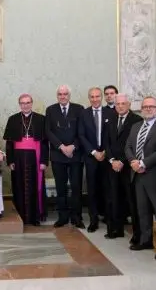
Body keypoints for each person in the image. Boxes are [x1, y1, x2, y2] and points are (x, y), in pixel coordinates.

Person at [124, 96, 156, 260]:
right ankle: (145, 240)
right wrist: (133, 163)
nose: (148, 109)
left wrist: (143, 163)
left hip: (154, 175)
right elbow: (128, 146)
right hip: (137, 175)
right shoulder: (136, 126)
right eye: (145, 106)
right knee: (142, 210)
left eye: (152, 106)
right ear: (141, 109)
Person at [4, 93, 48, 226]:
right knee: (19, 185)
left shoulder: (41, 119)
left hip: (35, 157)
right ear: (19, 104)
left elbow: (45, 142)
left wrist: (44, 161)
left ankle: (35, 216)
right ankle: (20, 216)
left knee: (35, 186)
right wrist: (10, 161)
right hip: (18, 158)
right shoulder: (13, 119)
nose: (25, 105)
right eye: (23, 103)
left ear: (32, 103)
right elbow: (9, 143)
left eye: (28, 102)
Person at [44, 85, 85, 228]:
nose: (62, 96)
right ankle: (62, 216)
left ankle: (76, 217)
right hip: (58, 154)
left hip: (75, 154)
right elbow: (48, 131)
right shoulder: (50, 110)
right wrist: (61, 147)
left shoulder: (79, 109)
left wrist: (73, 146)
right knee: (60, 187)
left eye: (65, 94)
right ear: (57, 96)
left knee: (76, 186)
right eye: (60, 94)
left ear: (69, 95)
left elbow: (82, 131)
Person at [103, 94, 142, 240]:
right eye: (117, 104)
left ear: (129, 104)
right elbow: (106, 142)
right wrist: (112, 160)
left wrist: (122, 161)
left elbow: (136, 145)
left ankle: (137, 234)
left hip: (129, 166)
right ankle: (116, 229)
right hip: (112, 166)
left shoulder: (137, 120)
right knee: (114, 198)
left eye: (123, 103)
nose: (120, 106)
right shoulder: (110, 119)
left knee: (132, 200)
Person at [78, 87, 109, 232]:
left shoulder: (110, 112)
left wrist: (105, 152)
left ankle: (109, 217)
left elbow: (112, 135)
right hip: (91, 157)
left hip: (107, 157)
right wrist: (94, 152)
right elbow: (81, 135)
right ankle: (93, 219)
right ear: (89, 98)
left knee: (108, 188)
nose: (95, 99)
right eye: (92, 97)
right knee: (92, 189)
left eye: (97, 96)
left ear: (101, 97)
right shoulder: (83, 114)